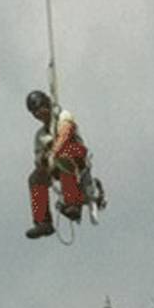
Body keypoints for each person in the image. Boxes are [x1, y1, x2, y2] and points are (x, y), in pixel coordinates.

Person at [25, 89, 89, 239]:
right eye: (35, 112)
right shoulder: (40, 135)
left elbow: (66, 133)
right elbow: (38, 158)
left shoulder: (63, 116)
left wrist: (54, 150)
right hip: (55, 164)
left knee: (63, 154)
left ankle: (73, 203)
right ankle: (43, 222)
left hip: (75, 154)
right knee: (35, 178)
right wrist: (44, 160)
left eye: (41, 108)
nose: (39, 113)